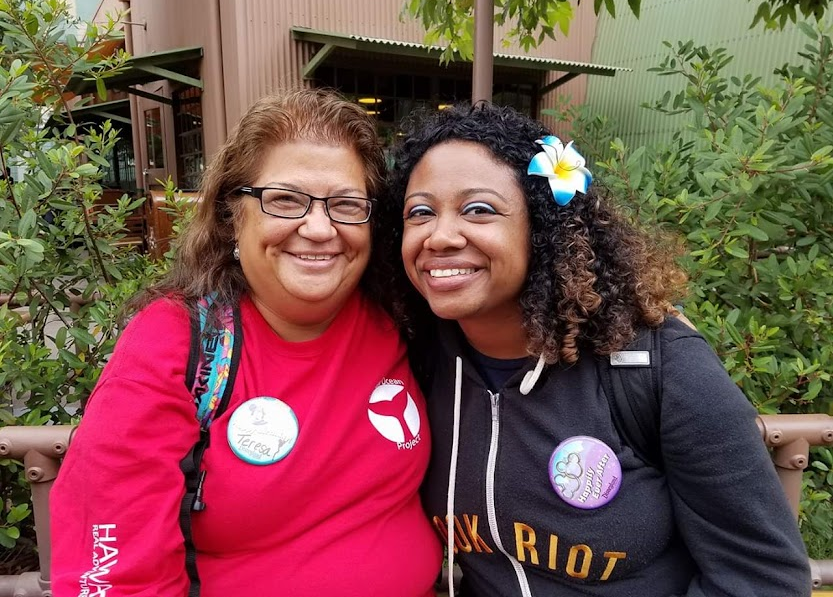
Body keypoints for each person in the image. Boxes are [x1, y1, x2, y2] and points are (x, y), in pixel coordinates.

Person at [384, 103, 811, 597]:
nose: (440, 236)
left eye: (478, 209)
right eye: (420, 212)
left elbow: (761, 576)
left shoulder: (658, 367)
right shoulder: (419, 362)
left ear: (542, 229)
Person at [50, 89, 442, 596]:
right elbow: (114, 576)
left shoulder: (401, 316)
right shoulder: (175, 343)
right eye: (285, 199)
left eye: (346, 205)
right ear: (232, 214)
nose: (320, 228)